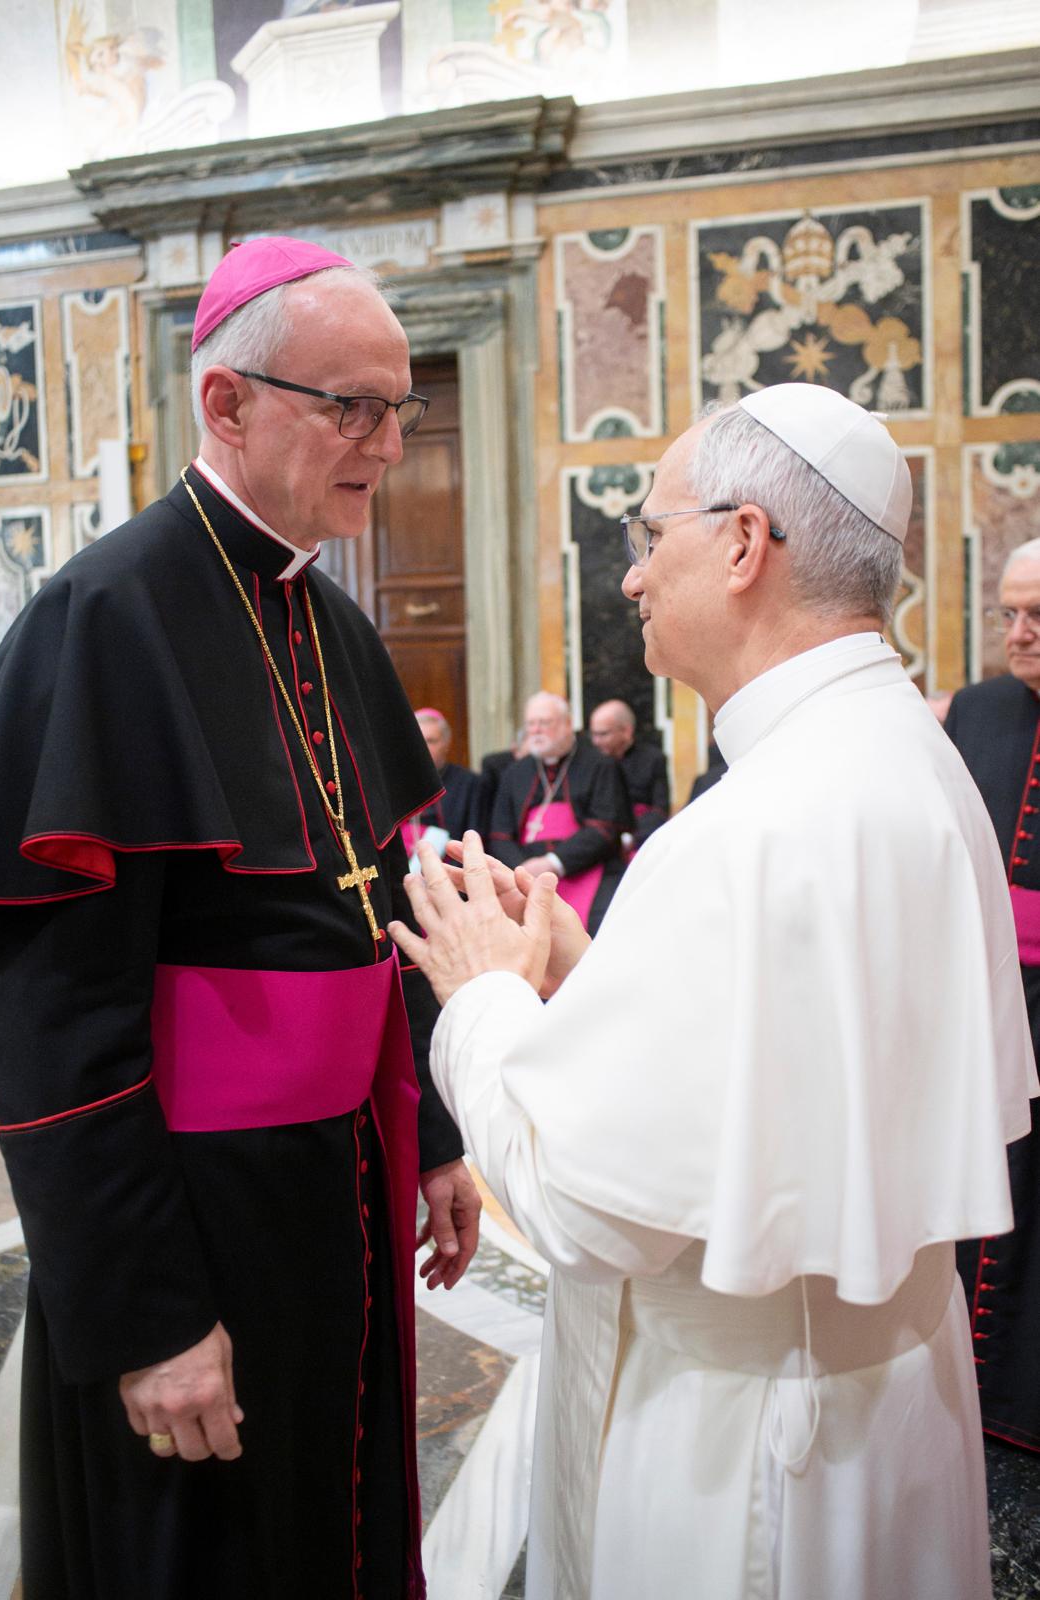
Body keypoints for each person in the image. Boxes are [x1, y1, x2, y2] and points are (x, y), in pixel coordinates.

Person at [390, 383, 1037, 1600]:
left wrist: (482, 998)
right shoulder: (908, 753)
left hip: (739, 1448)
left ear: (742, 542)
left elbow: (588, 1206)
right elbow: (790, 1052)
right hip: (885, 1395)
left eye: (649, 536)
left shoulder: (749, 825)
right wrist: (592, 969)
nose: (630, 578)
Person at [0, 236, 481, 1600]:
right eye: (350, 406)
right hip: (190, 1225)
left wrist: (429, 1131)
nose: (384, 437)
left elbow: (373, 912)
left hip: (334, 1187)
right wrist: (149, 1315)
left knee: (332, 1518)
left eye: (397, 407)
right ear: (228, 403)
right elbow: (53, 1017)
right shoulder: (102, 619)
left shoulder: (331, 620)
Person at [943, 537, 1040, 1454]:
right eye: (1008, 615)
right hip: (986, 1004)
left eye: (1037, 618)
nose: (1019, 634)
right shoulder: (977, 710)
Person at [489, 690, 630, 934]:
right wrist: (524, 870)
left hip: (584, 869)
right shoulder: (515, 773)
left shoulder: (600, 765)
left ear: (567, 724)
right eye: (531, 723)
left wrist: (552, 863)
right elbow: (500, 835)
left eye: (544, 722)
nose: (536, 730)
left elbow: (605, 829)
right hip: (526, 876)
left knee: (601, 925)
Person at [587, 698, 670, 851]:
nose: (596, 741)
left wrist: (631, 838)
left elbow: (660, 811)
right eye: (593, 735)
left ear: (626, 731)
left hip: (639, 841)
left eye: (603, 734)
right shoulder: (590, 762)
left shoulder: (653, 759)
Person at [403, 707, 486, 852]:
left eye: (431, 741)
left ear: (446, 744)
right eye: (417, 739)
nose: (422, 747)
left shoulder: (469, 783)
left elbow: (475, 838)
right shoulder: (392, 785)